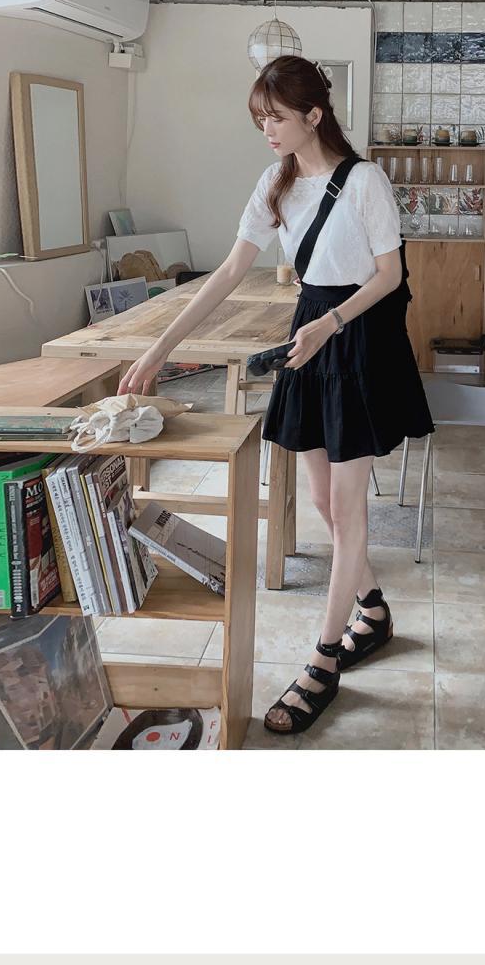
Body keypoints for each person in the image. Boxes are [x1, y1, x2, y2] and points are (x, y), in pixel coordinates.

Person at [119, 56, 432, 743]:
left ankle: (324, 660)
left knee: (347, 509)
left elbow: (389, 275)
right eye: (260, 118)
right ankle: (373, 610)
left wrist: (329, 324)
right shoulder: (275, 182)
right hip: (311, 332)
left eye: (276, 117)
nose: (266, 129)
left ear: (314, 115)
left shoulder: (365, 181)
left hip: (357, 336)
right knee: (321, 500)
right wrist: (162, 346)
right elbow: (230, 270)